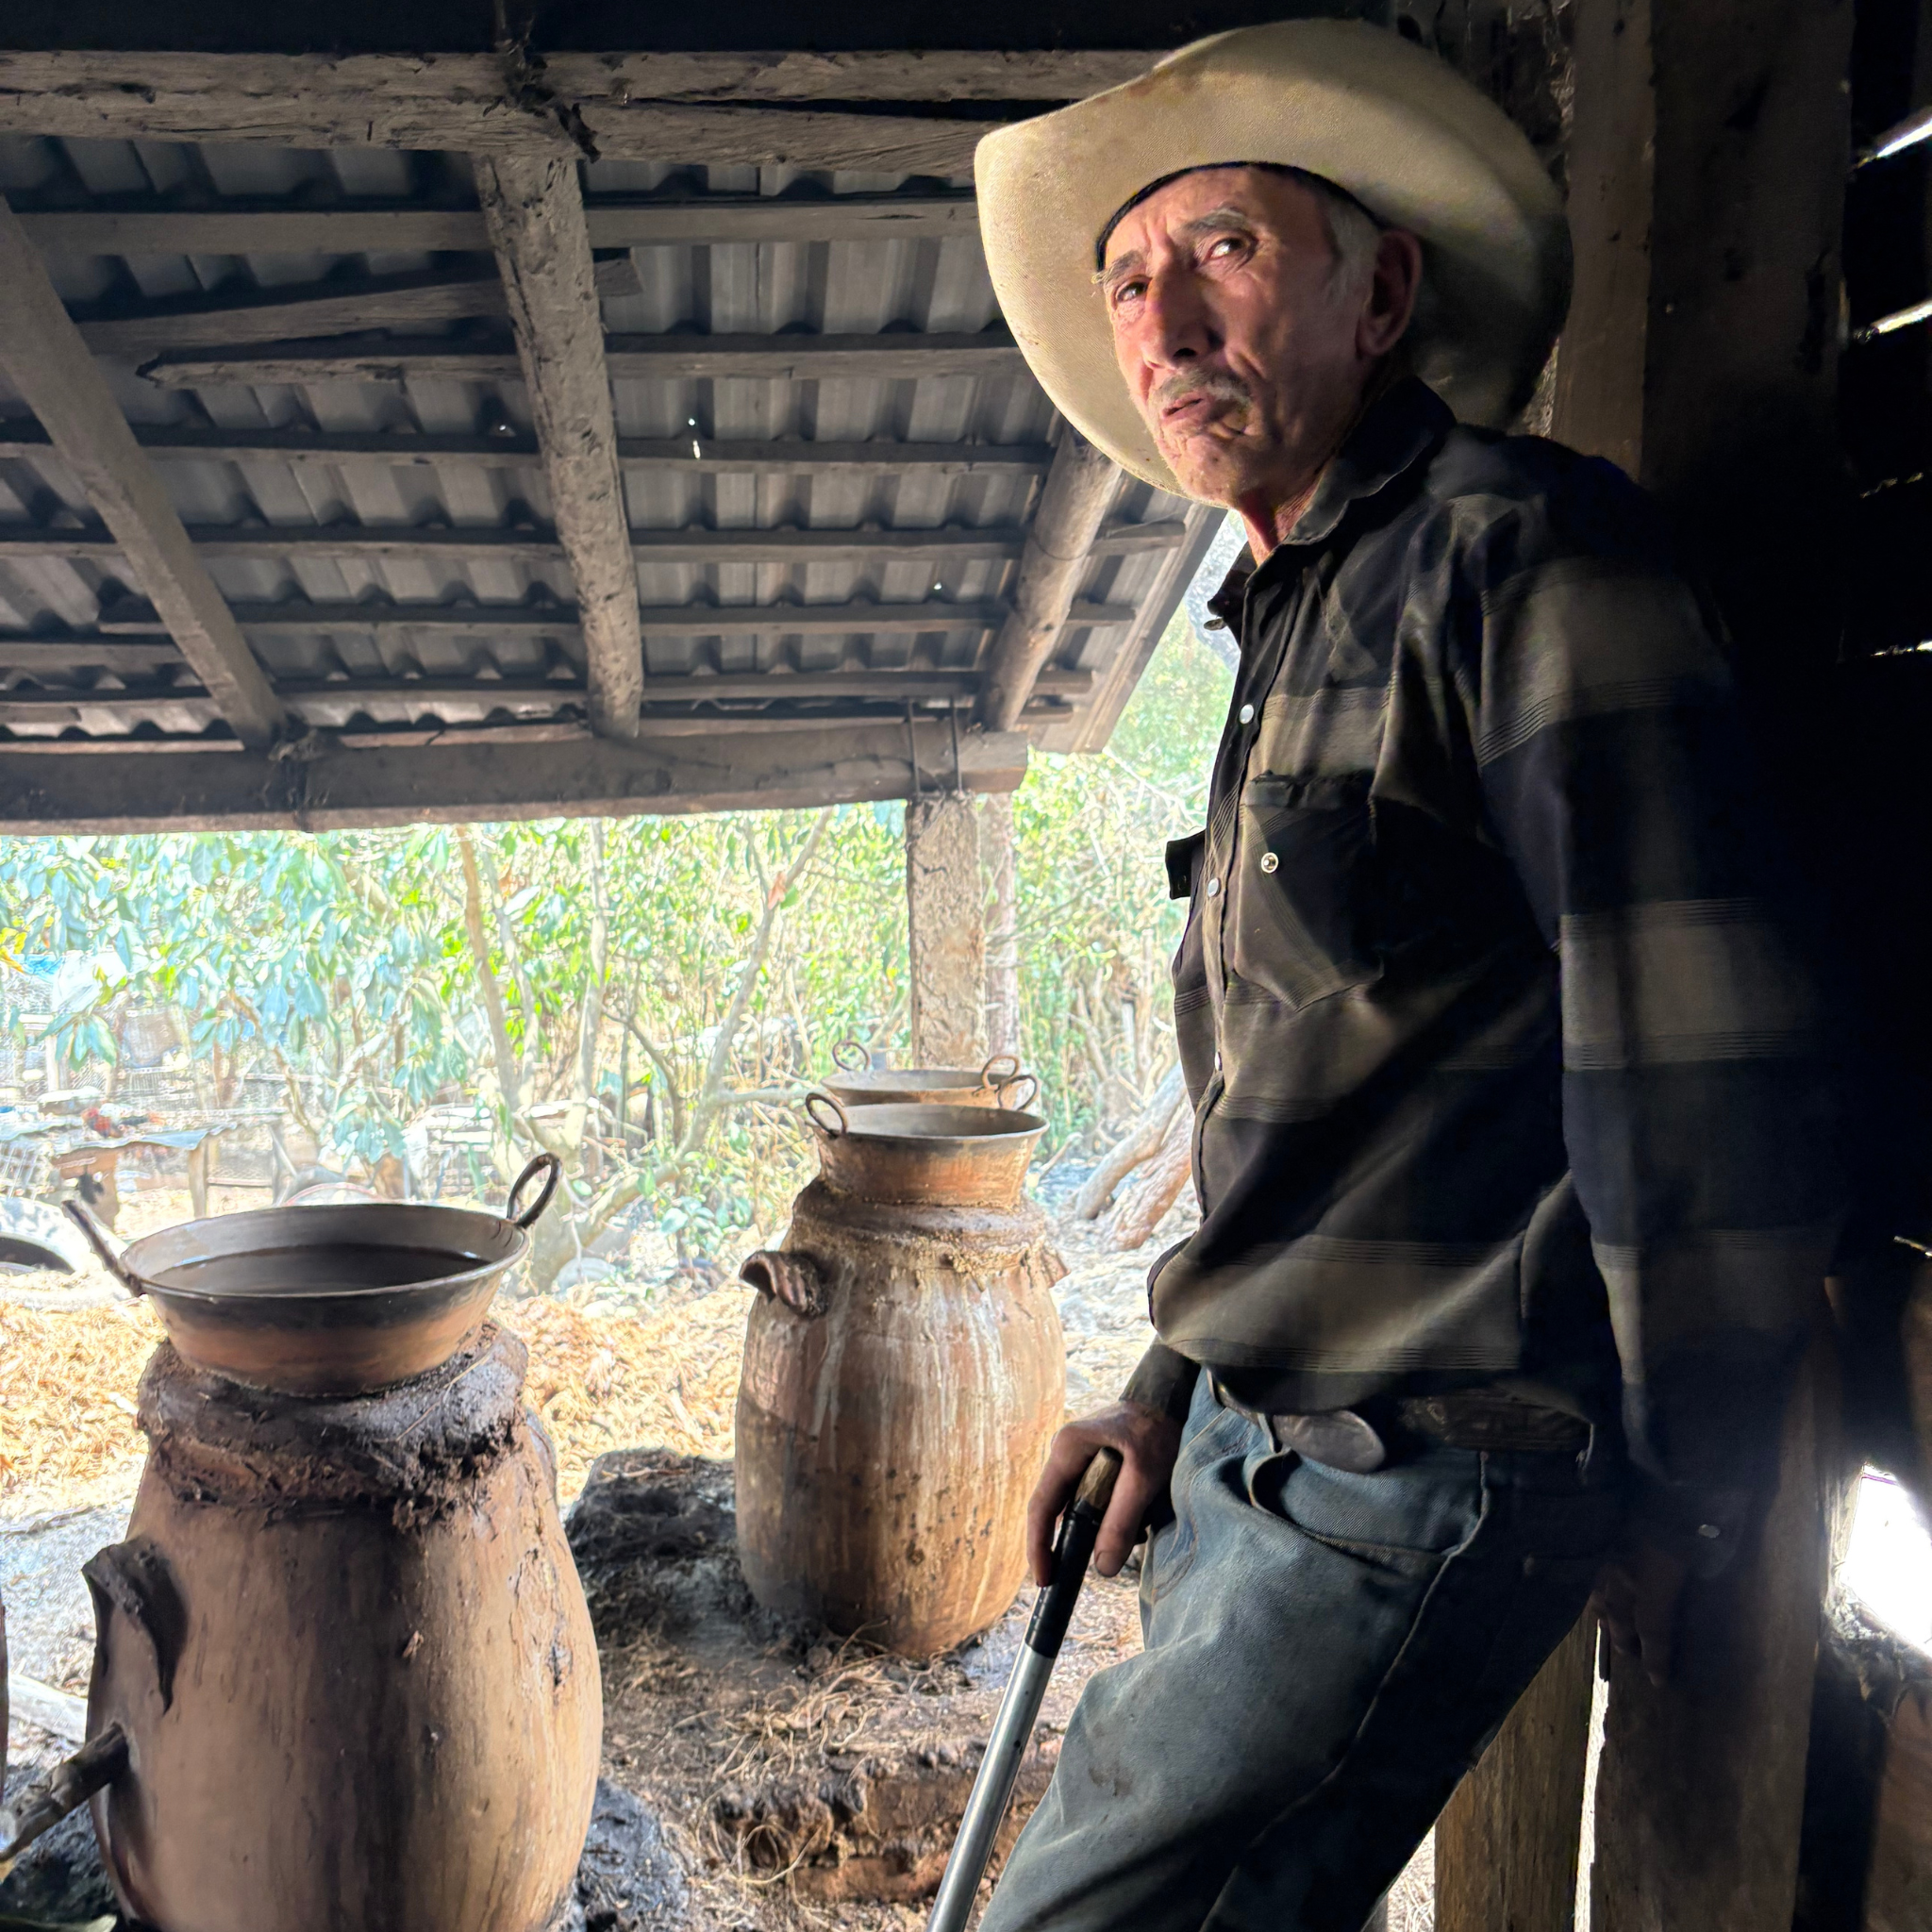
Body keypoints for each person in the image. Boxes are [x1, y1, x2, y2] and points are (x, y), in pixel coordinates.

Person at [970, 22, 1843, 1930]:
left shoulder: (1522, 561)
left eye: (1225, 253)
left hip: (1413, 1481)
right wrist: (1158, 1381)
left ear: (1380, 295)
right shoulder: (1294, 614)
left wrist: (1698, 1493)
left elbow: (1679, 1052)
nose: (1167, 324)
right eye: (1129, 281)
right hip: (1252, 1453)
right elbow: (1320, 1102)